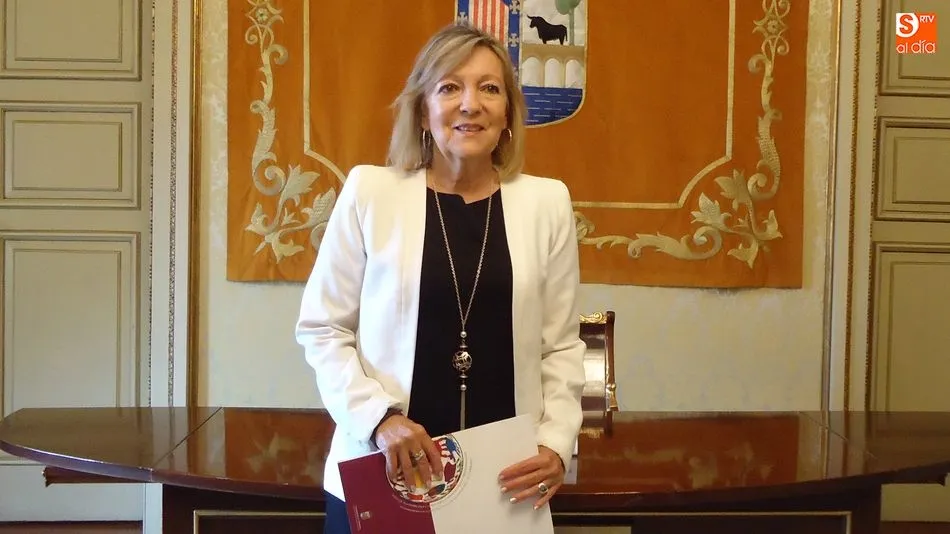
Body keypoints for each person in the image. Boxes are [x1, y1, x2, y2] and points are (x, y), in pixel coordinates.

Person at [295, 22, 587, 534]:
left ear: (508, 114)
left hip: (505, 484)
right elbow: (323, 328)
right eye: (450, 87)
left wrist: (556, 443)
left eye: (489, 88)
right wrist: (379, 420)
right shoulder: (370, 193)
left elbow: (560, 346)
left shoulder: (547, 202)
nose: (470, 104)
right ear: (422, 110)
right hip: (386, 468)